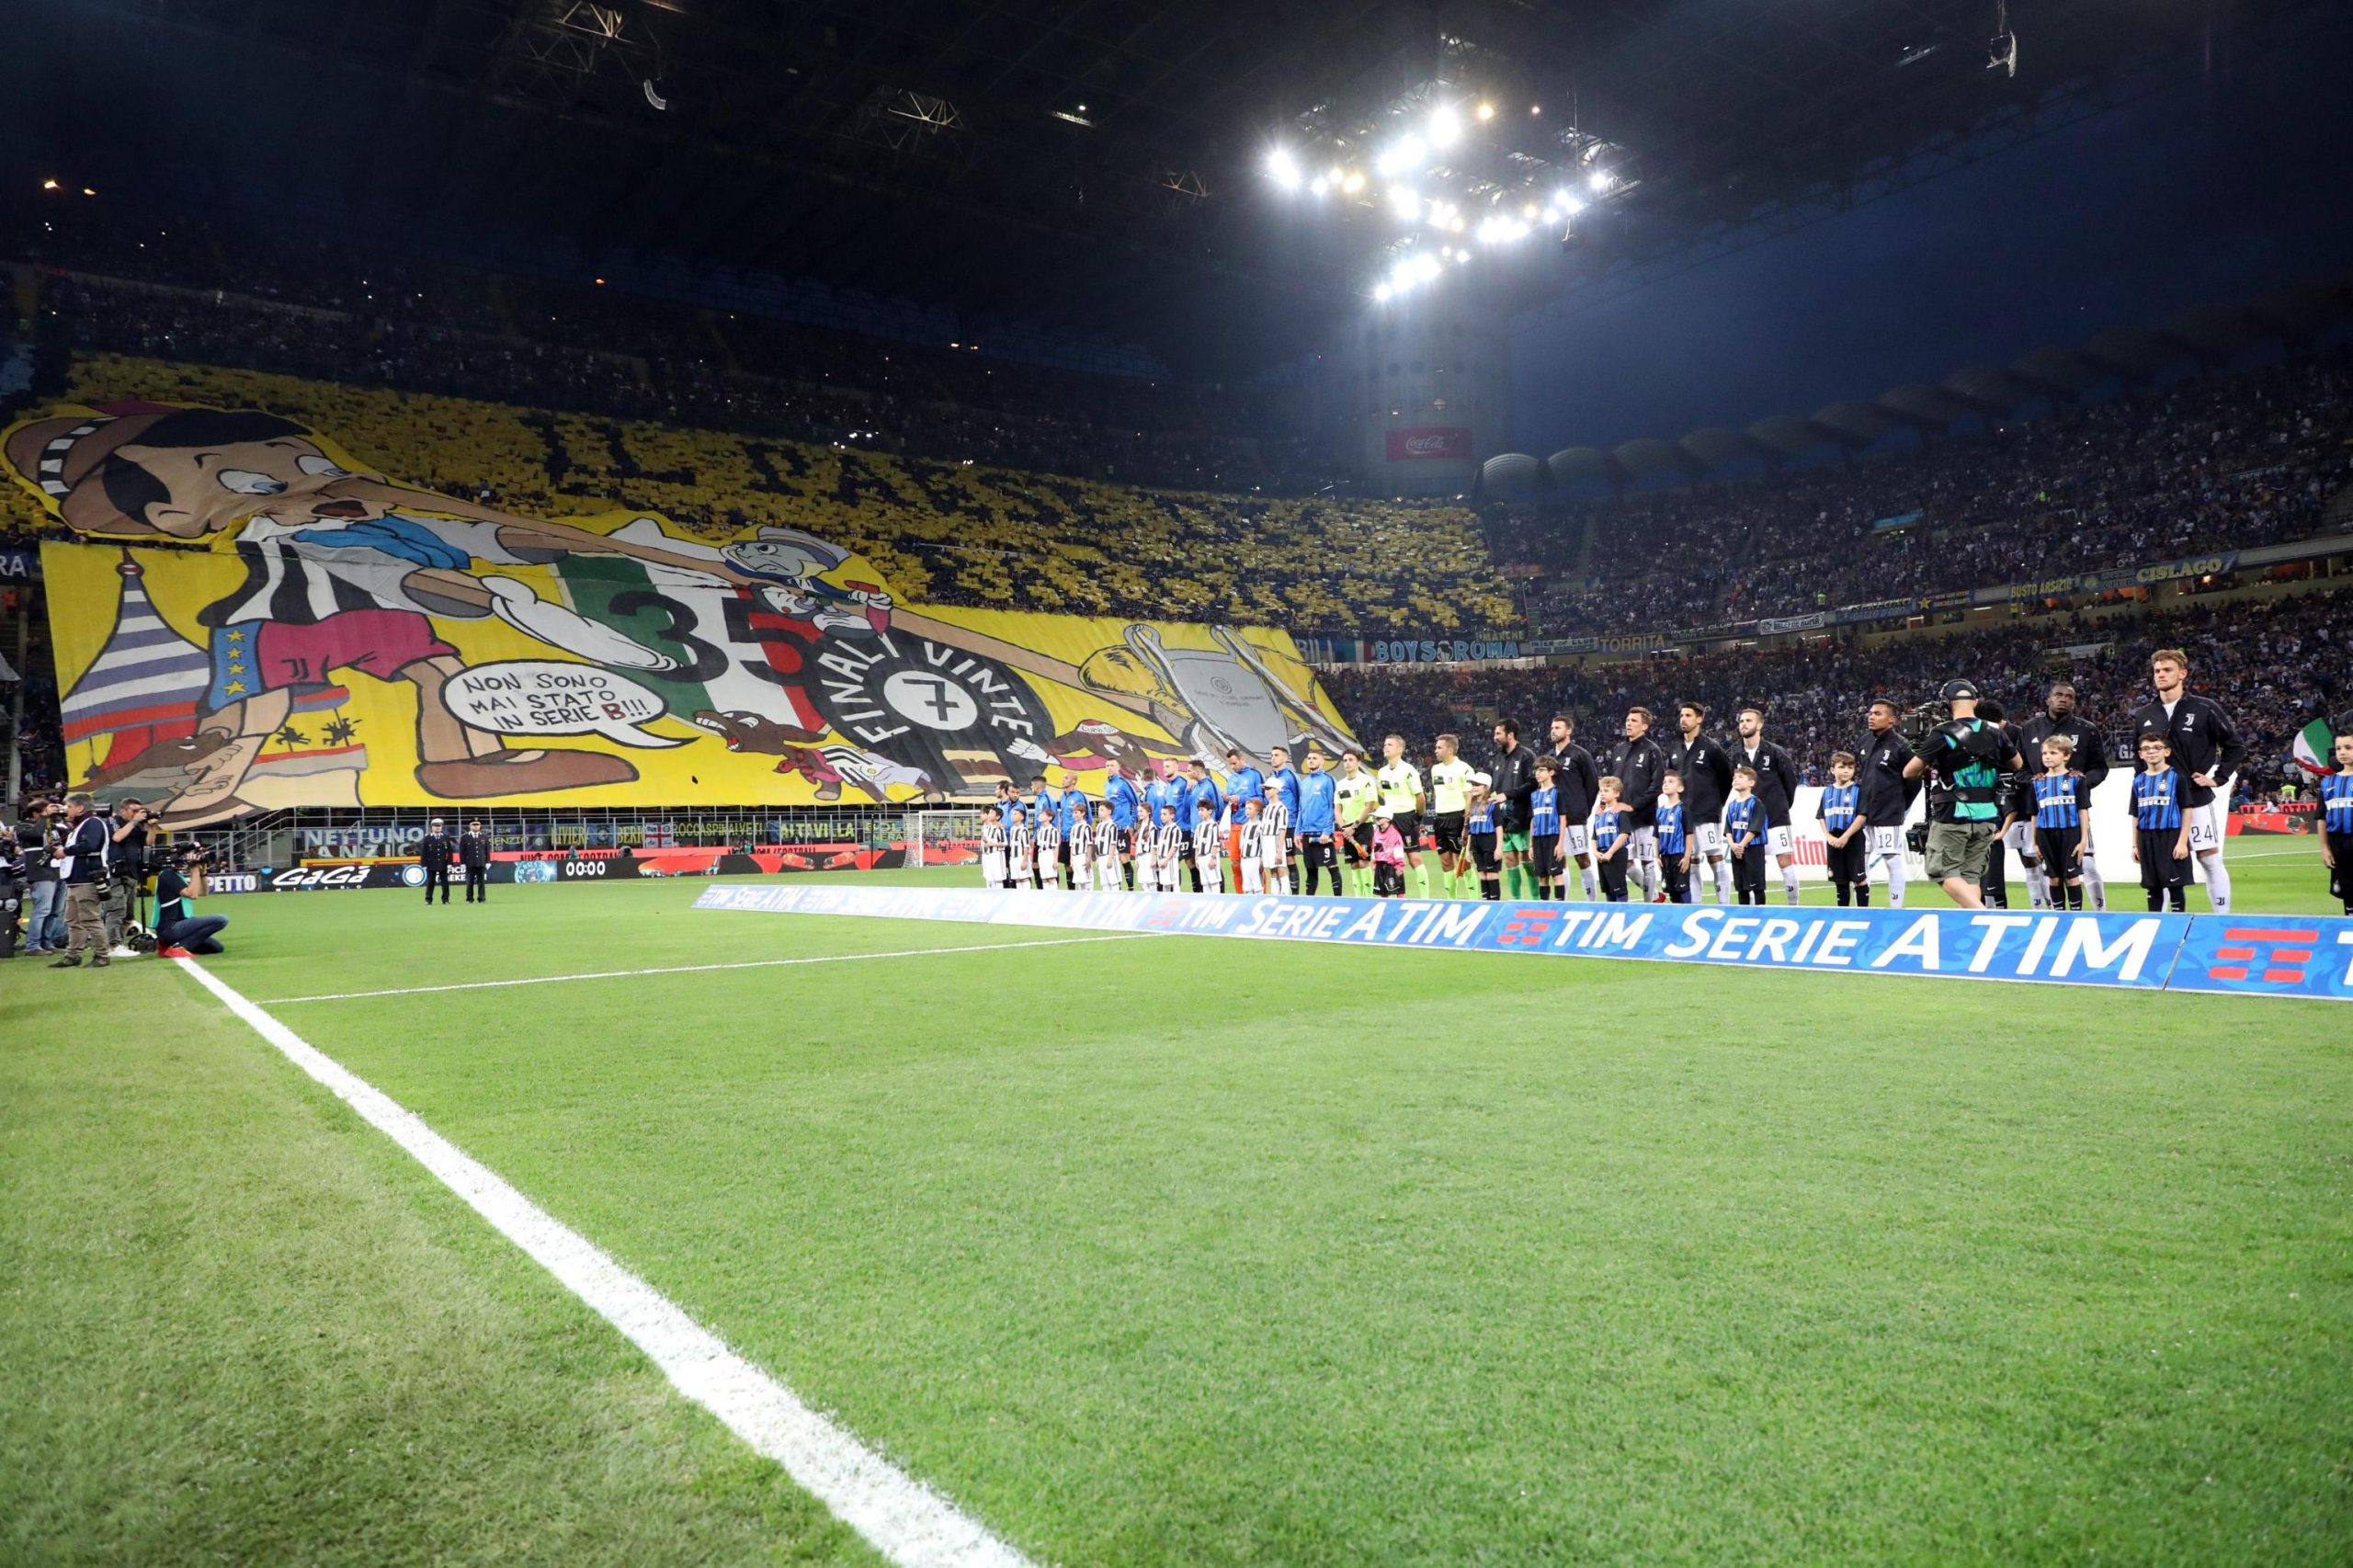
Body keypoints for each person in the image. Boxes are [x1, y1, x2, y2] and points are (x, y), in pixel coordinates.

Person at [2130, 649, 2246, 914]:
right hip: (2157, 802)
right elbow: (2139, 758)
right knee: (2159, 862)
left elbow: (2235, 747)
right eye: (2157, 671)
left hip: (2195, 796)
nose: (2161, 675)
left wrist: (2217, 778)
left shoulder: (2204, 708)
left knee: (2209, 858)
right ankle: (2162, 924)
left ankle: (2222, 919)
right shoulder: (2144, 714)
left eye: (2167, 670)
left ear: (2182, 674)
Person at [1904, 678, 2024, 910]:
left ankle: (1983, 914)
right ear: (1975, 701)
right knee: (1970, 876)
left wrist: (1925, 753)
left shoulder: (1942, 732)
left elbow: (1909, 771)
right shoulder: (1995, 730)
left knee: (1940, 870)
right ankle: (1974, 923)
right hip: (1987, 814)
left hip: (1953, 813)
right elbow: (2017, 763)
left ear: (1946, 703)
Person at [2018, 682, 2109, 911]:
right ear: (2048, 699)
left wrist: (2081, 782)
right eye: (2058, 695)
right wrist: (2034, 781)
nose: (2063, 699)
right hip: (2044, 815)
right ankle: (2053, 913)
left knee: (2087, 865)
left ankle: (2101, 913)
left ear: (2074, 702)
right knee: (2049, 872)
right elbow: (2019, 769)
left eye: (2069, 696)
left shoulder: (2087, 729)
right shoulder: (2029, 729)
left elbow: (2100, 767)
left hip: (2073, 815)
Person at [1665, 703, 1735, 904]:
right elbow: (1670, 777)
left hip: (1706, 813)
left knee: (1715, 857)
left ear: (1699, 719)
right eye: (1681, 715)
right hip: (1682, 814)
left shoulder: (1711, 747)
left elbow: (1726, 778)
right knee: (1692, 860)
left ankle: (1724, 905)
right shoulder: (1674, 747)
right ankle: (1695, 906)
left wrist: (1715, 804)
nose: (1683, 719)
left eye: (1688, 715)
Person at [1732, 706, 1802, 905]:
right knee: (1751, 866)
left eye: (1749, 720)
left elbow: (1790, 783)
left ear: (1760, 725)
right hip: (1748, 823)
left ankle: (1794, 908)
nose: (1744, 724)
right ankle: (1754, 910)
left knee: (1785, 862)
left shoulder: (1775, 752)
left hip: (1775, 818)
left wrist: (1780, 806)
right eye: (1741, 721)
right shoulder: (1735, 754)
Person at [1600, 708, 1667, 902]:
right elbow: (1612, 783)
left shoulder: (1652, 750)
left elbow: (1657, 786)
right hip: (1621, 818)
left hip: (1644, 817)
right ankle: (1655, 897)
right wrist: (1605, 804)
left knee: (1647, 863)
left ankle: (1649, 904)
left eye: (1634, 721)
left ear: (1644, 726)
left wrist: (1634, 806)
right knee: (1626, 864)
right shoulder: (1619, 749)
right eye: (1628, 720)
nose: (1628, 723)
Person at [1856, 699, 1915, 909]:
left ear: (1892, 720)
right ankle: (1862, 908)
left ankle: (1896, 909)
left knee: (1892, 859)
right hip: (1863, 813)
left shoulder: (1902, 746)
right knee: (1860, 860)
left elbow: (1914, 781)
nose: (1871, 717)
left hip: (1888, 813)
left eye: (1878, 714)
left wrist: (1899, 805)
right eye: (1871, 713)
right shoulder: (1864, 741)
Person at [2129, 733, 2192, 913]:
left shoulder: (2177, 777)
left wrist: (2182, 842)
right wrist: (2135, 845)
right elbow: (2135, 815)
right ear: (2141, 754)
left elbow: (2187, 809)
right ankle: (2155, 922)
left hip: (2171, 836)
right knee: (2152, 886)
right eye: (2146, 749)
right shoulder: (2138, 780)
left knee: (2175, 885)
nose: (2151, 752)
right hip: (2146, 838)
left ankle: (2179, 924)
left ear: (2167, 751)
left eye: (2157, 748)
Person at [50, 792, 113, 969]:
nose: (66, 810)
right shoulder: (81, 825)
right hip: (75, 879)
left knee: (90, 919)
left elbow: (91, 845)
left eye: (69, 806)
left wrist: (65, 851)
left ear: (80, 808)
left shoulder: (93, 822)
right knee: (73, 920)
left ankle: (102, 955)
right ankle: (73, 955)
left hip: (88, 877)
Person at [1544, 713, 1601, 900]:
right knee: (1559, 858)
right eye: (1552, 728)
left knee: (1582, 857)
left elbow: (1592, 785)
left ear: (1569, 731)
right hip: (1554, 818)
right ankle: (1564, 901)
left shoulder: (1580, 754)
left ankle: (1591, 902)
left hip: (1575, 816)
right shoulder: (1549, 757)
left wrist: (1582, 808)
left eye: (1557, 728)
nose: (1553, 731)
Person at [2031, 736, 2091, 911]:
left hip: (2070, 832)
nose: (2047, 756)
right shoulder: (2036, 782)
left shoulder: (2076, 780)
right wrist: (2034, 842)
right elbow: (2034, 813)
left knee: (2071, 877)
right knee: (2053, 877)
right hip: (2045, 833)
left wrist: (2083, 840)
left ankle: (2076, 915)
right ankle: (2059, 915)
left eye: (2053, 753)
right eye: (2044, 753)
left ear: (2066, 756)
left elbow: (2083, 811)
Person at [1375, 733, 1429, 898]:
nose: (1385, 747)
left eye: (1390, 744)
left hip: (1406, 817)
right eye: (1385, 744)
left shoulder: (1408, 770)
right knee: (1390, 859)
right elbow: (1385, 796)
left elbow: (1420, 797)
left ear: (1399, 749)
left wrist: (1418, 817)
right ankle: (1398, 897)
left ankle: (1425, 898)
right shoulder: (1382, 772)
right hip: (1389, 819)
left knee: (1414, 859)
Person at [1488, 720, 1537, 901]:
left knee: (1527, 859)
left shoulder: (1526, 756)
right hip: (1503, 818)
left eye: (1498, 734)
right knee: (1509, 860)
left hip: (1521, 816)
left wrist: (1507, 795)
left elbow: (1532, 784)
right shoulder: (1497, 758)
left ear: (1510, 735)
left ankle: (1536, 900)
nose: (1495, 737)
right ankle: (1516, 901)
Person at [153, 846, 229, 956]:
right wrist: (194, 869)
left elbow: (203, 892)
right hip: (170, 927)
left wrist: (203, 872)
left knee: (216, 947)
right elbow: (192, 894)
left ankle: (169, 946)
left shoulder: (177, 876)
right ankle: (179, 948)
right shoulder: (167, 875)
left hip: (180, 926)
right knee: (221, 920)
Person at [1427, 733, 1474, 898]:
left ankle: (1474, 900)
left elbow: (1469, 798)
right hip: (1440, 819)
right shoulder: (1435, 769)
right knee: (1445, 862)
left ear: (1450, 750)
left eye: (1439, 747)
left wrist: (1466, 824)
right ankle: (1451, 900)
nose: (1435, 750)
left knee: (1462, 861)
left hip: (1457, 818)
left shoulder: (1464, 769)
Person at [1819, 752, 1868, 907]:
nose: (1846, 770)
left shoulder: (1858, 790)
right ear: (1832, 770)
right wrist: (1828, 837)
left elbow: (1862, 815)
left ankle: (1863, 913)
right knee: (1840, 881)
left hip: (1853, 838)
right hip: (1833, 839)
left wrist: (1846, 836)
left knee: (1859, 879)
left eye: (1850, 767)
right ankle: (1843, 914)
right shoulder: (1827, 791)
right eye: (1842, 767)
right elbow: (1821, 816)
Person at [18, 798, 63, 955]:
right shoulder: (23, 826)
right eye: (45, 810)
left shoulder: (53, 826)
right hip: (40, 872)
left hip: (57, 871)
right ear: (35, 813)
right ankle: (33, 945)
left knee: (55, 911)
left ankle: (47, 943)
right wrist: (45, 817)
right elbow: (36, 834)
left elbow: (67, 836)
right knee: (42, 910)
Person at [1295, 747, 1340, 896]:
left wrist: (1327, 831)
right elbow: (1301, 809)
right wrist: (1297, 832)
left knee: (1332, 868)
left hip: (1322, 833)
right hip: (1307, 833)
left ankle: (1339, 900)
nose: (1311, 761)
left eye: (1314, 758)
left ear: (1322, 761)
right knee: (1311, 871)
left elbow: (1332, 806)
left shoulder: (1328, 780)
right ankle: (1309, 901)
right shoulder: (1304, 783)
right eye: (1309, 758)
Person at [1221, 746, 1265, 891]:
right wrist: (1226, 799)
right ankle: (1241, 896)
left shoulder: (1255, 775)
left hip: (1250, 826)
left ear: (1242, 759)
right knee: (1235, 863)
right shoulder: (1231, 778)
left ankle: (1262, 894)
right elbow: (1230, 801)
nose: (1232, 767)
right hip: (1234, 825)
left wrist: (1242, 798)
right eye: (1230, 764)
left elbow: (1263, 799)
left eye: (1234, 763)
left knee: (1256, 864)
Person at [1335, 748, 1378, 895]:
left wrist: (1354, 827)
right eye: (1345, 760)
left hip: (1363, 826)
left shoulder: (1367, 781)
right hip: (1347, 830)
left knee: (1364, 862)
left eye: (1351, 760)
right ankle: (1359, 899)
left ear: (1358, 762)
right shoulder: (1340, 784)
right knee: (1353, 865)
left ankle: (1369, 899)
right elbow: (1337, 809)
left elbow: (1369, 806)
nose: (1347, 763)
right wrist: (1344, 828)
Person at [2320, 726, 2353, 915]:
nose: (2343, 752)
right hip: (2338, 844)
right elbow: (2321, 817)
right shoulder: (2328, 782)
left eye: (2348, 748)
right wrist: (2325, 848)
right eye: (2339, 748)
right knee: (2347, 892)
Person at [1723, 767, 1768, 905]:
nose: (1736, 779)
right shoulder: (1732, 805)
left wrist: (1741, 845)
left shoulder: (1756, 803)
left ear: (1751, 783)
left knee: (1757, 887)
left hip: (1753, 849)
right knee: (1741, 888)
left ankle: (1761, 914)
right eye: (1735, 777)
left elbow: (1755, 828)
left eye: (1741, 777)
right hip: (1736, 850)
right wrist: (1732, 845)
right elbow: (1728, 828)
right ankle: (1744, 914)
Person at [1105, 762, 1145, 890]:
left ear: (1118, 768)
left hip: (1123, 826)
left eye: (1112, 765)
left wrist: (1131, 823)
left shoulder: (1124, 783)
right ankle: (1117, 888)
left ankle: (1130, 889)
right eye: (1107, 766)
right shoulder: (1106, 785)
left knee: (1124, 858)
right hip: (1110, 828)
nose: (1109, 768)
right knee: (1112, 858)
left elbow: (1136, 803)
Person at [1528, 756, 1563, 899]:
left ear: (1551, 772)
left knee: (1556, 875)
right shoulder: (1534, 795)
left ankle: (1560, 905)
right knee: (1542, 876)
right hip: (1537, 839)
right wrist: (1531, 845)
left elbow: (1563, 818)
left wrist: (1560, 844)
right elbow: (1533, 820)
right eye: (1536, 770)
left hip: (1552, 837)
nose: (1537, 773)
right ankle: (1545, 906)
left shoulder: (1557, 792)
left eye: (1541, 770)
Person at [1590, 778, 1630, 903]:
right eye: (1601, 791)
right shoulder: (1599, 813)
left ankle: (1622, 912)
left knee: (1618, 888)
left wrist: (1610, 852)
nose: (1602, 793)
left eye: (1606, 790)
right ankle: (1611, 912)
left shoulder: (1620, 811)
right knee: (1608, 889)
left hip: (1616, 853)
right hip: (1602, 854)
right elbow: (1594, 836)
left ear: (1617, 793)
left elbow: (1624, 833)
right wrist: (1595, 852)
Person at [1655, 771, 1692, 903]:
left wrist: (1687, 856)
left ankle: (1687, 912)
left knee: (1682, 889)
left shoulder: (1683, 809)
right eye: (1664, 782)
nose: (1666, 784)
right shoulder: (1660, 811)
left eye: (1671, 782)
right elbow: (1656, 835)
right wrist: (1656, 855)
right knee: (1671, 890)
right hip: (1664, 857)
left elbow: (1689, 834)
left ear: (1680, 788)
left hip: (1679, 856)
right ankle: (1676, 914)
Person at [1464, 771, 1502, 901]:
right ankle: (1485, 902)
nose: (1474, 787)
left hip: (1489, 840)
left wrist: (1499, 848)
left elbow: (1498, 827)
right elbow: (1471, 831)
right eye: (1473, 784)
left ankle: (1495, 903)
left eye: (1477, 784)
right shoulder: (1472, 806)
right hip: (1476, 842)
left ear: (1486, 787)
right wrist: (1467, 850)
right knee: (1482, 874)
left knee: (1491, 874)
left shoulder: (1493, 805)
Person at [1258, 788, 1291, 895]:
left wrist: (1280, 850)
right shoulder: (1267, 808)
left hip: (1275, 839)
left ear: (1276, 790)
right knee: (1272, 869)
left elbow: (1283, 829)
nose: (1266, 791)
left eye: (1269, 788)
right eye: (1265, 789)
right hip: (1266, 840)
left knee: (1281, 867)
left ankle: (1285, 895)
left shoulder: (1282, 808)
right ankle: (1275, 894)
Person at [1369, 807, 1407, 898]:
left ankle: (1401, 904)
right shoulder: (1376, 832)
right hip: (1380, 865)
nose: (1376, 819)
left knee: (1398, 888)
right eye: (1376, 817)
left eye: (1379, 818)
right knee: (1383, 891)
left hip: (1392, 865)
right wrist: (1374, 862)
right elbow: (1374, 848)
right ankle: (1385, 904)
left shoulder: (1394, 834)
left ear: (1387, 819)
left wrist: (1399, 866)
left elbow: (1398, 850)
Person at [418, 817, 455, 904]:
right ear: (432, 827)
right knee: (430, 882)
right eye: (436, 826)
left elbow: (450, 851)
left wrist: (450, 863)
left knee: (445, 883)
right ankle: (428, 900)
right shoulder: (427, 838)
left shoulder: (445, 837)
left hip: (443, 863)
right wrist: (424, 864)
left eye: (439, 826)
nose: (438, 827)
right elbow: (424, 852)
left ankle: (445, 900)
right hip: (431, 863)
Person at [1190, 801, 1222, 893]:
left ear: (1210, 811)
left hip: (1210, 856)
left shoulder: (1214, 825)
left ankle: (1216, 900)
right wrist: (1196, 859)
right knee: (1204, 883)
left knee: (1214, 881)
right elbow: (1196, 845)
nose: (1200, 812)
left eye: (1202, 810)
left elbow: (1216, 843)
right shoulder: (1199, 826)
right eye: (1199, 810)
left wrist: (1213, 858)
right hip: (1201, 857)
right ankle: (1207, 900)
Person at [1154, 806, 1187, 893]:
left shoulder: (1175, 829)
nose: (1162, 816)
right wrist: (1158, 859)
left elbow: (1174, 846)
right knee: (1165, 884)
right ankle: (1166, 900)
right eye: (1161, 814)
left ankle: (1177, 900)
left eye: (1164, 814)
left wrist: (1166, 859)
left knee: (1174, 883)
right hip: (1162, 859)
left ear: (1172, 816)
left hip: (1170, 860)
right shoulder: (1163, 829)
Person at [1237, 799, 1267, 894]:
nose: (1247, 811)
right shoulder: (1245, 826)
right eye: (1246, 808)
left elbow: (1263, 845)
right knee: (1247, 886)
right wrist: (1242, 859)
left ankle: (1259, 900)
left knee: (1257, 885)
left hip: (1255, 859)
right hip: (1245, 859)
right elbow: (1242, 845)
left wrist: (1262, 862)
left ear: (1257, 810)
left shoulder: (1261, 826)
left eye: (1250, 808)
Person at [459, 819, 492, 903]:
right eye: (474, 824)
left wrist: (488, 861)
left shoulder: (484, 837)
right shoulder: (464, 837)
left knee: (481, 882)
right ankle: (469, 899)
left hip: (481, 862)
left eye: (477, 824)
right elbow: (462, 852)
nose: (476, 826)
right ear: (470, 826)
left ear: (480, 826)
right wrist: (462, 863)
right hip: (470, 863)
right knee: (470, 882)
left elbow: (487, 850)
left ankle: (481, 898)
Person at [979, 806, 1007, 889]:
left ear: (997, 817)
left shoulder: (999, 828)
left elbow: (1005, 843)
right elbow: (987, 840)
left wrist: (991, 844)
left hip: (997, 854)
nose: (989, 815)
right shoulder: (987, 828)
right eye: (989, 813)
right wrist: (985, 842)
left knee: (998, 878)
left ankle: (999, 894)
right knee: (990, 878)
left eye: (991, 813)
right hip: (988, 854)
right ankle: (990, 894)